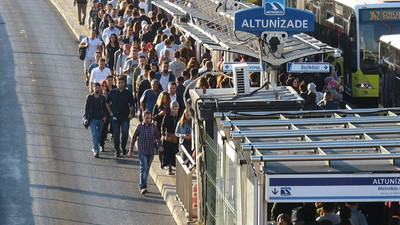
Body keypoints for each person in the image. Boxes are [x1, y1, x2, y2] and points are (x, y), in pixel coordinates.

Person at [129, 110, 163, 195]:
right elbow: (133, 139)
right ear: (143, 118)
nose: (148, 120)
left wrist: (160, 145)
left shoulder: (153, 127)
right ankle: (143, 187)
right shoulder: (139, 127)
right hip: (142, 151)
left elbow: (157, 136)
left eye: (149, 118)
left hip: (150, 151)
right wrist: (131, 150)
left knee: (147, 169)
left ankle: (142, 183)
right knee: (143, 168)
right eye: (146, 118)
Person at [106, 76, 135, 157]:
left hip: (125, 117)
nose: (120, 84)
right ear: (117, 83)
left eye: (122, 82)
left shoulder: (128, 93)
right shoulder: (112, 92)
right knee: (116, 133)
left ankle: (123, 146)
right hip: (115, 117)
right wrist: (110, 113)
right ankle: (117, 150)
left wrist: (131, 114)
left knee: (125, 133)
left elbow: (132, 105)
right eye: (119, 82)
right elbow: (107, 102)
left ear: (124, 83)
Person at [83, 82, 107, 158]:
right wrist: (86, 118)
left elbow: (105, 109)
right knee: (94, 134)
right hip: (92, 119)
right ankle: (96, 151)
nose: (97, 89)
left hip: (100, 119)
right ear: (93, 88)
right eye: (95, 87)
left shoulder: (102, 98)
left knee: (99, 135)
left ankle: (96, 145)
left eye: (98, 87)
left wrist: (105, 117)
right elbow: (86, 109)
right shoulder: (89, 97)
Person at [161, 101, 180, 174]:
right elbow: (163, 125)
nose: (175, 111)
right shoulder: (168, 115)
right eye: (174, 109)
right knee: (167, 152)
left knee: (175, 152)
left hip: (176, 137)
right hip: (169, 136)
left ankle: (174, 166)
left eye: (177, 109)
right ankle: (168, 166)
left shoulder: (179, 116)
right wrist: (163, 134)